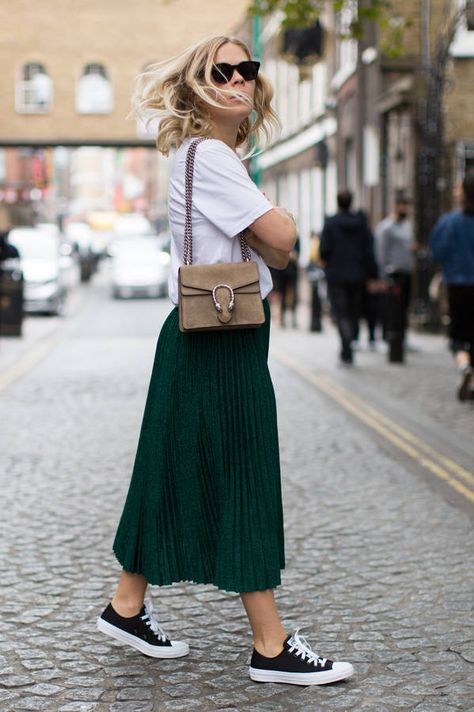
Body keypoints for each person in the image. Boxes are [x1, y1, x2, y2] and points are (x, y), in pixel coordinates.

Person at [96, 35, 354, 687]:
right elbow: (283, 240)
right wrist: (279, 225)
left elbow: (274, 247)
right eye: (224, 70)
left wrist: (272, 235)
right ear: (198, 84)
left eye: (248, 68)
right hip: (221, 336)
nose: (240, 78)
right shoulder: (209, 155)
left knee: (170, 462)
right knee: (244, 472)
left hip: (198, 332)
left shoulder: (201, 155)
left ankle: (126, 605)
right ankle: (270, 646)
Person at [320, 190, 378, 365]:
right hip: (358, 276)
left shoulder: (330, 224)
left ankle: (346, 348)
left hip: (337, 277)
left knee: (341, 313)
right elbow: (369, 250)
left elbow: (324, 250)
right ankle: (351, 341)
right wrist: (372, 274)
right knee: (353, 313)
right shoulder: (361, 224)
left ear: (338, 202)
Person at [430, 171, 474, 401]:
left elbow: (436, 252)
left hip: (458, 285)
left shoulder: (449, 222)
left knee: (458, 335)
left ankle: (464, 366)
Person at [375, 195, 415, 351]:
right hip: (393, 273)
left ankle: (402, 337)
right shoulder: (386, 227)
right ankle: (390, 337)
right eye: (403, 206)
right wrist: (383, 274)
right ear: (396, 206)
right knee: (392, 308)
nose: (405, 209)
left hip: (406, 272)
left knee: (404, 307)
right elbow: (381, 251)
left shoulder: (406, 226)